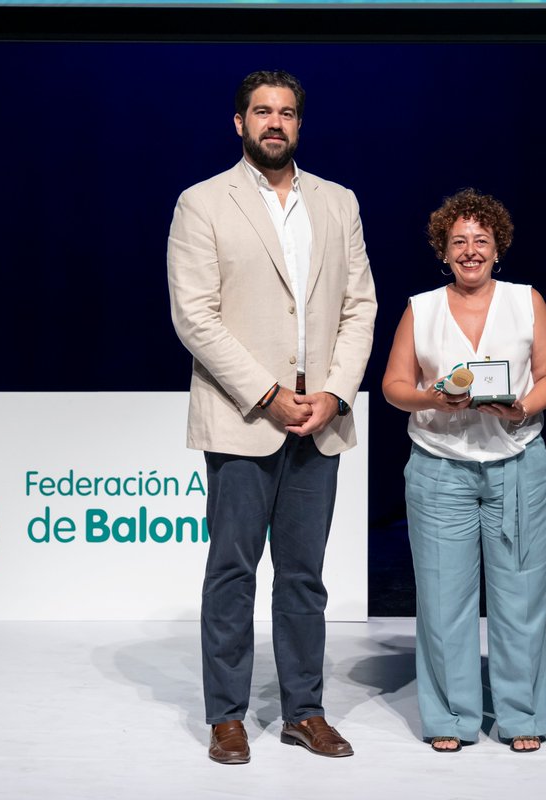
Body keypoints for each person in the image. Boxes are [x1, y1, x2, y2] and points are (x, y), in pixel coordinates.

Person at [167, 70, 377, 764]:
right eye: (262, 112)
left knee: (304, 576)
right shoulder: (202, 204)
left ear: (299, 124)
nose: (275, 123)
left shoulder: (337, 202)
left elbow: (359, 307)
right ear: (239, 123)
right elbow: (195, 317)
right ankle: (226, 715)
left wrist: (335, 394)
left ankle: (304, 711)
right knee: (232, 570)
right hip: (243, 416)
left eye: (286, 113)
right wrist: (267, 393)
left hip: (319, 417)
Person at [382, 189, 546, 753]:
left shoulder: (526, 300)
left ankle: (521, 714)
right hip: (440, 471)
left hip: (518, 467)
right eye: (459, 241)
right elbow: (393, 387)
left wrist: (522, 407)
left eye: (481, 240)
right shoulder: (421, 307)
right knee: (442, 601)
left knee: (520, 599)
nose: (470, 250)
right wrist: (432, 397)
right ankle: (451, 719)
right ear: (443, 249)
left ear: (497, 246)